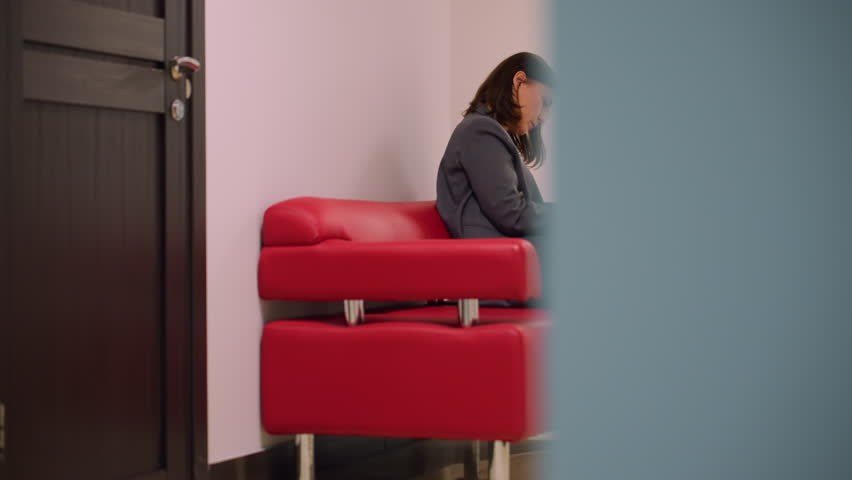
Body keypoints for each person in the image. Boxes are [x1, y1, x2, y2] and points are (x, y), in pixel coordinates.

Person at [436, 52, 554, 251]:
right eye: (545, 101)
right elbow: (512, 215)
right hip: (493, 252)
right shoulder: (480, 130)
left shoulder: (487, 132)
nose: (544, 117)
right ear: (519, 81)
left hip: (508, 249)